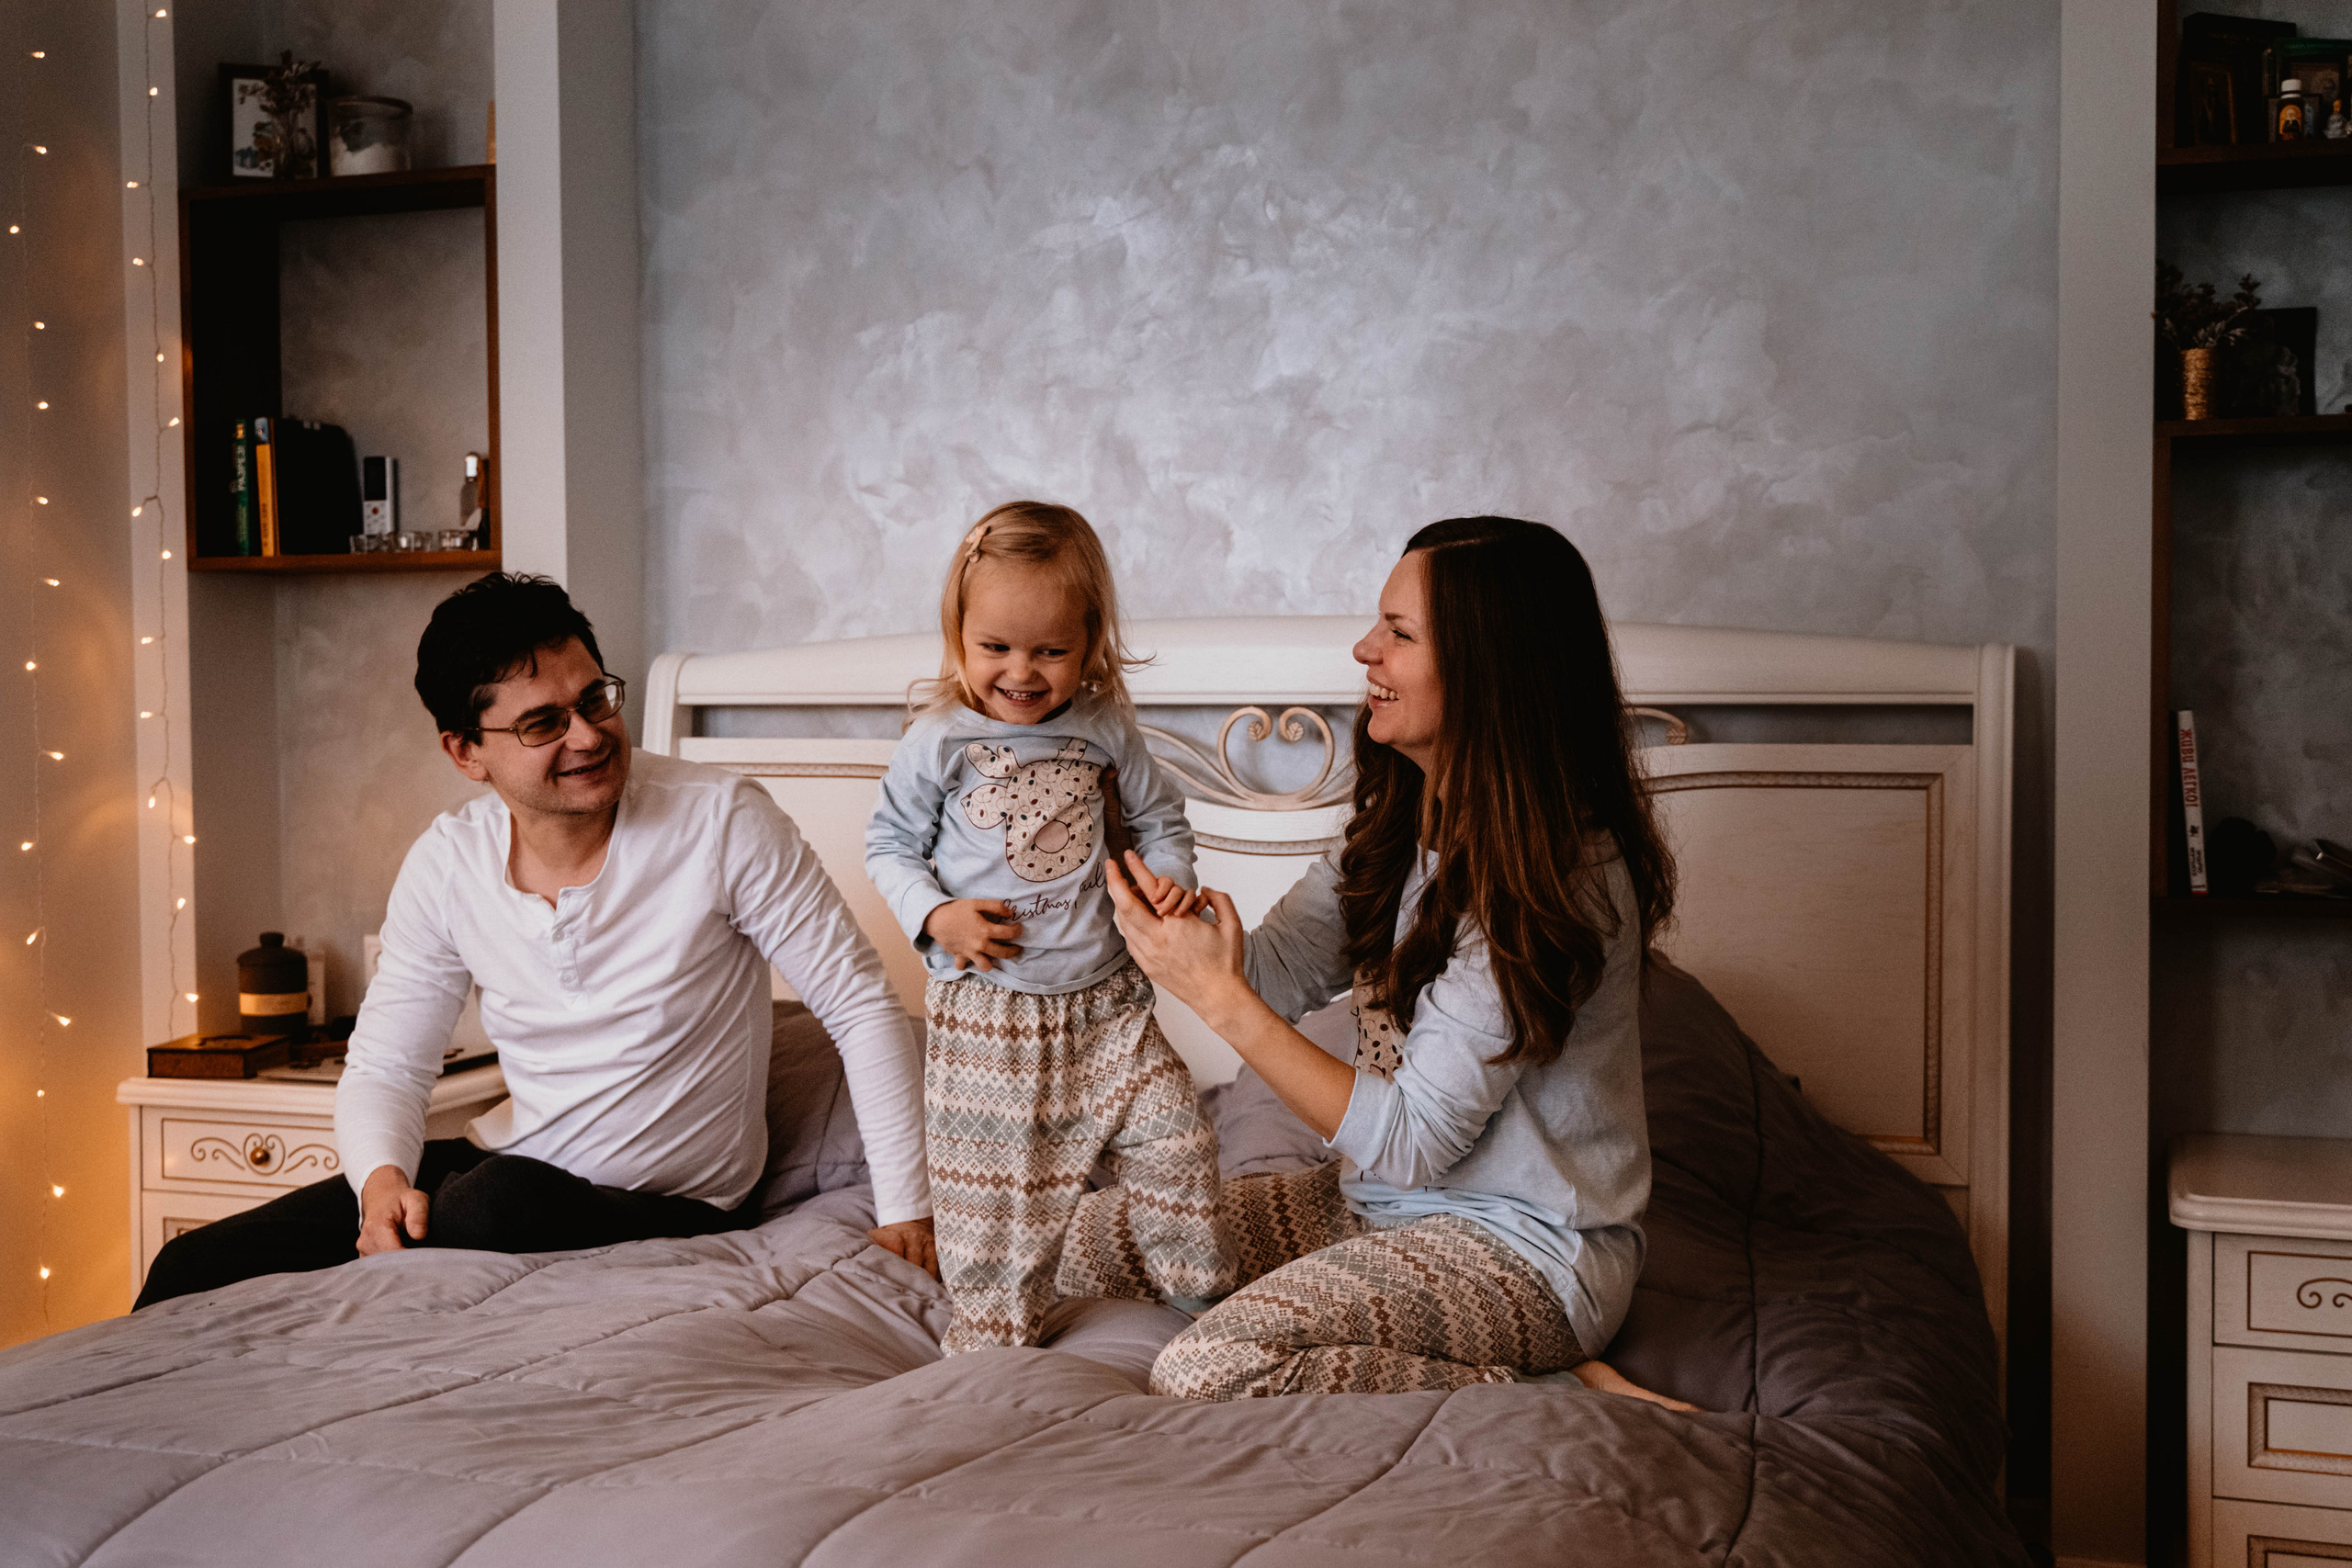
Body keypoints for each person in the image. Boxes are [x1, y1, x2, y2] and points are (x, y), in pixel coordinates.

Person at [135, 573, 933, 1308]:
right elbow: (387, 1062)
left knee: (487, 1203)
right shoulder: (447, 862)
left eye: (596, 700)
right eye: (544, 722)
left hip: (669, 1207)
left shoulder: (721, 822)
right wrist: (381, 1186)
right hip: (502, 1174)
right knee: (190, 1267)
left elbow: (860, 1007)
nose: (588, 735)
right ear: (465, 751)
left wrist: (905, 1211)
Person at [1069, 517, 1695, 1408]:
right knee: (1063, 1238)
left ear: (1492, 669)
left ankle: (1552, 1386)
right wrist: (1149, 876)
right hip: (1368, 1212)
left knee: (1205, 1366)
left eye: (1399, 634)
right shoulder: (1402, 818)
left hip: (1525, 1253)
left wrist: (1216, 998)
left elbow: (1407, 1141)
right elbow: (1280, 977)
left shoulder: (1562, 874)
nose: (1365, 649)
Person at [865, 502, 1232, 1351]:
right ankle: (994, 1344)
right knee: (996, 1211)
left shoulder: (1105, 727)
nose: (1021, 671)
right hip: (989, 1014)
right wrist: (936, 915)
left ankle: (1209, 1309)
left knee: (1179, 1144)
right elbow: (887, 844)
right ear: (958, 634)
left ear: (1091, 639)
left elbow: (1163, 825)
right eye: (995, 646)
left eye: (1050, 650)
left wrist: (1170, 884)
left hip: (1109, 1012)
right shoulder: (940, 738)